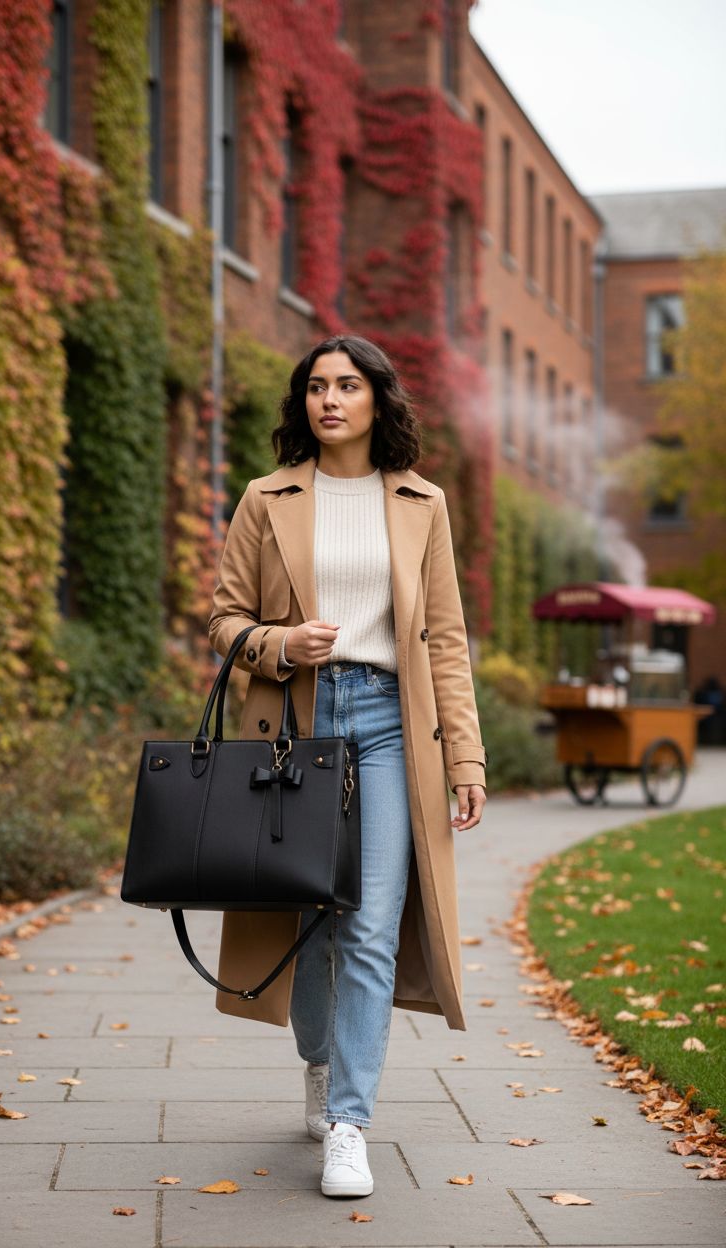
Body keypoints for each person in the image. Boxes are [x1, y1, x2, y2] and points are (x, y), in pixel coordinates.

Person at [208, 334, 487, 1199]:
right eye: (318, 386)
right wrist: (281, 644)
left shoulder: (421, 503)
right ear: (304, 404)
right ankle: (320, 1063)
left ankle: (350, 1125)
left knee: (370, 922)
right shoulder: (267, 497)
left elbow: (443, 637)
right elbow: (223, 622)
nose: (331, 399)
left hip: (391, 723)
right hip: (294, 720)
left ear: (377, 400)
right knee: (311, 917)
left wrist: (467, 754)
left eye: (349, 385)